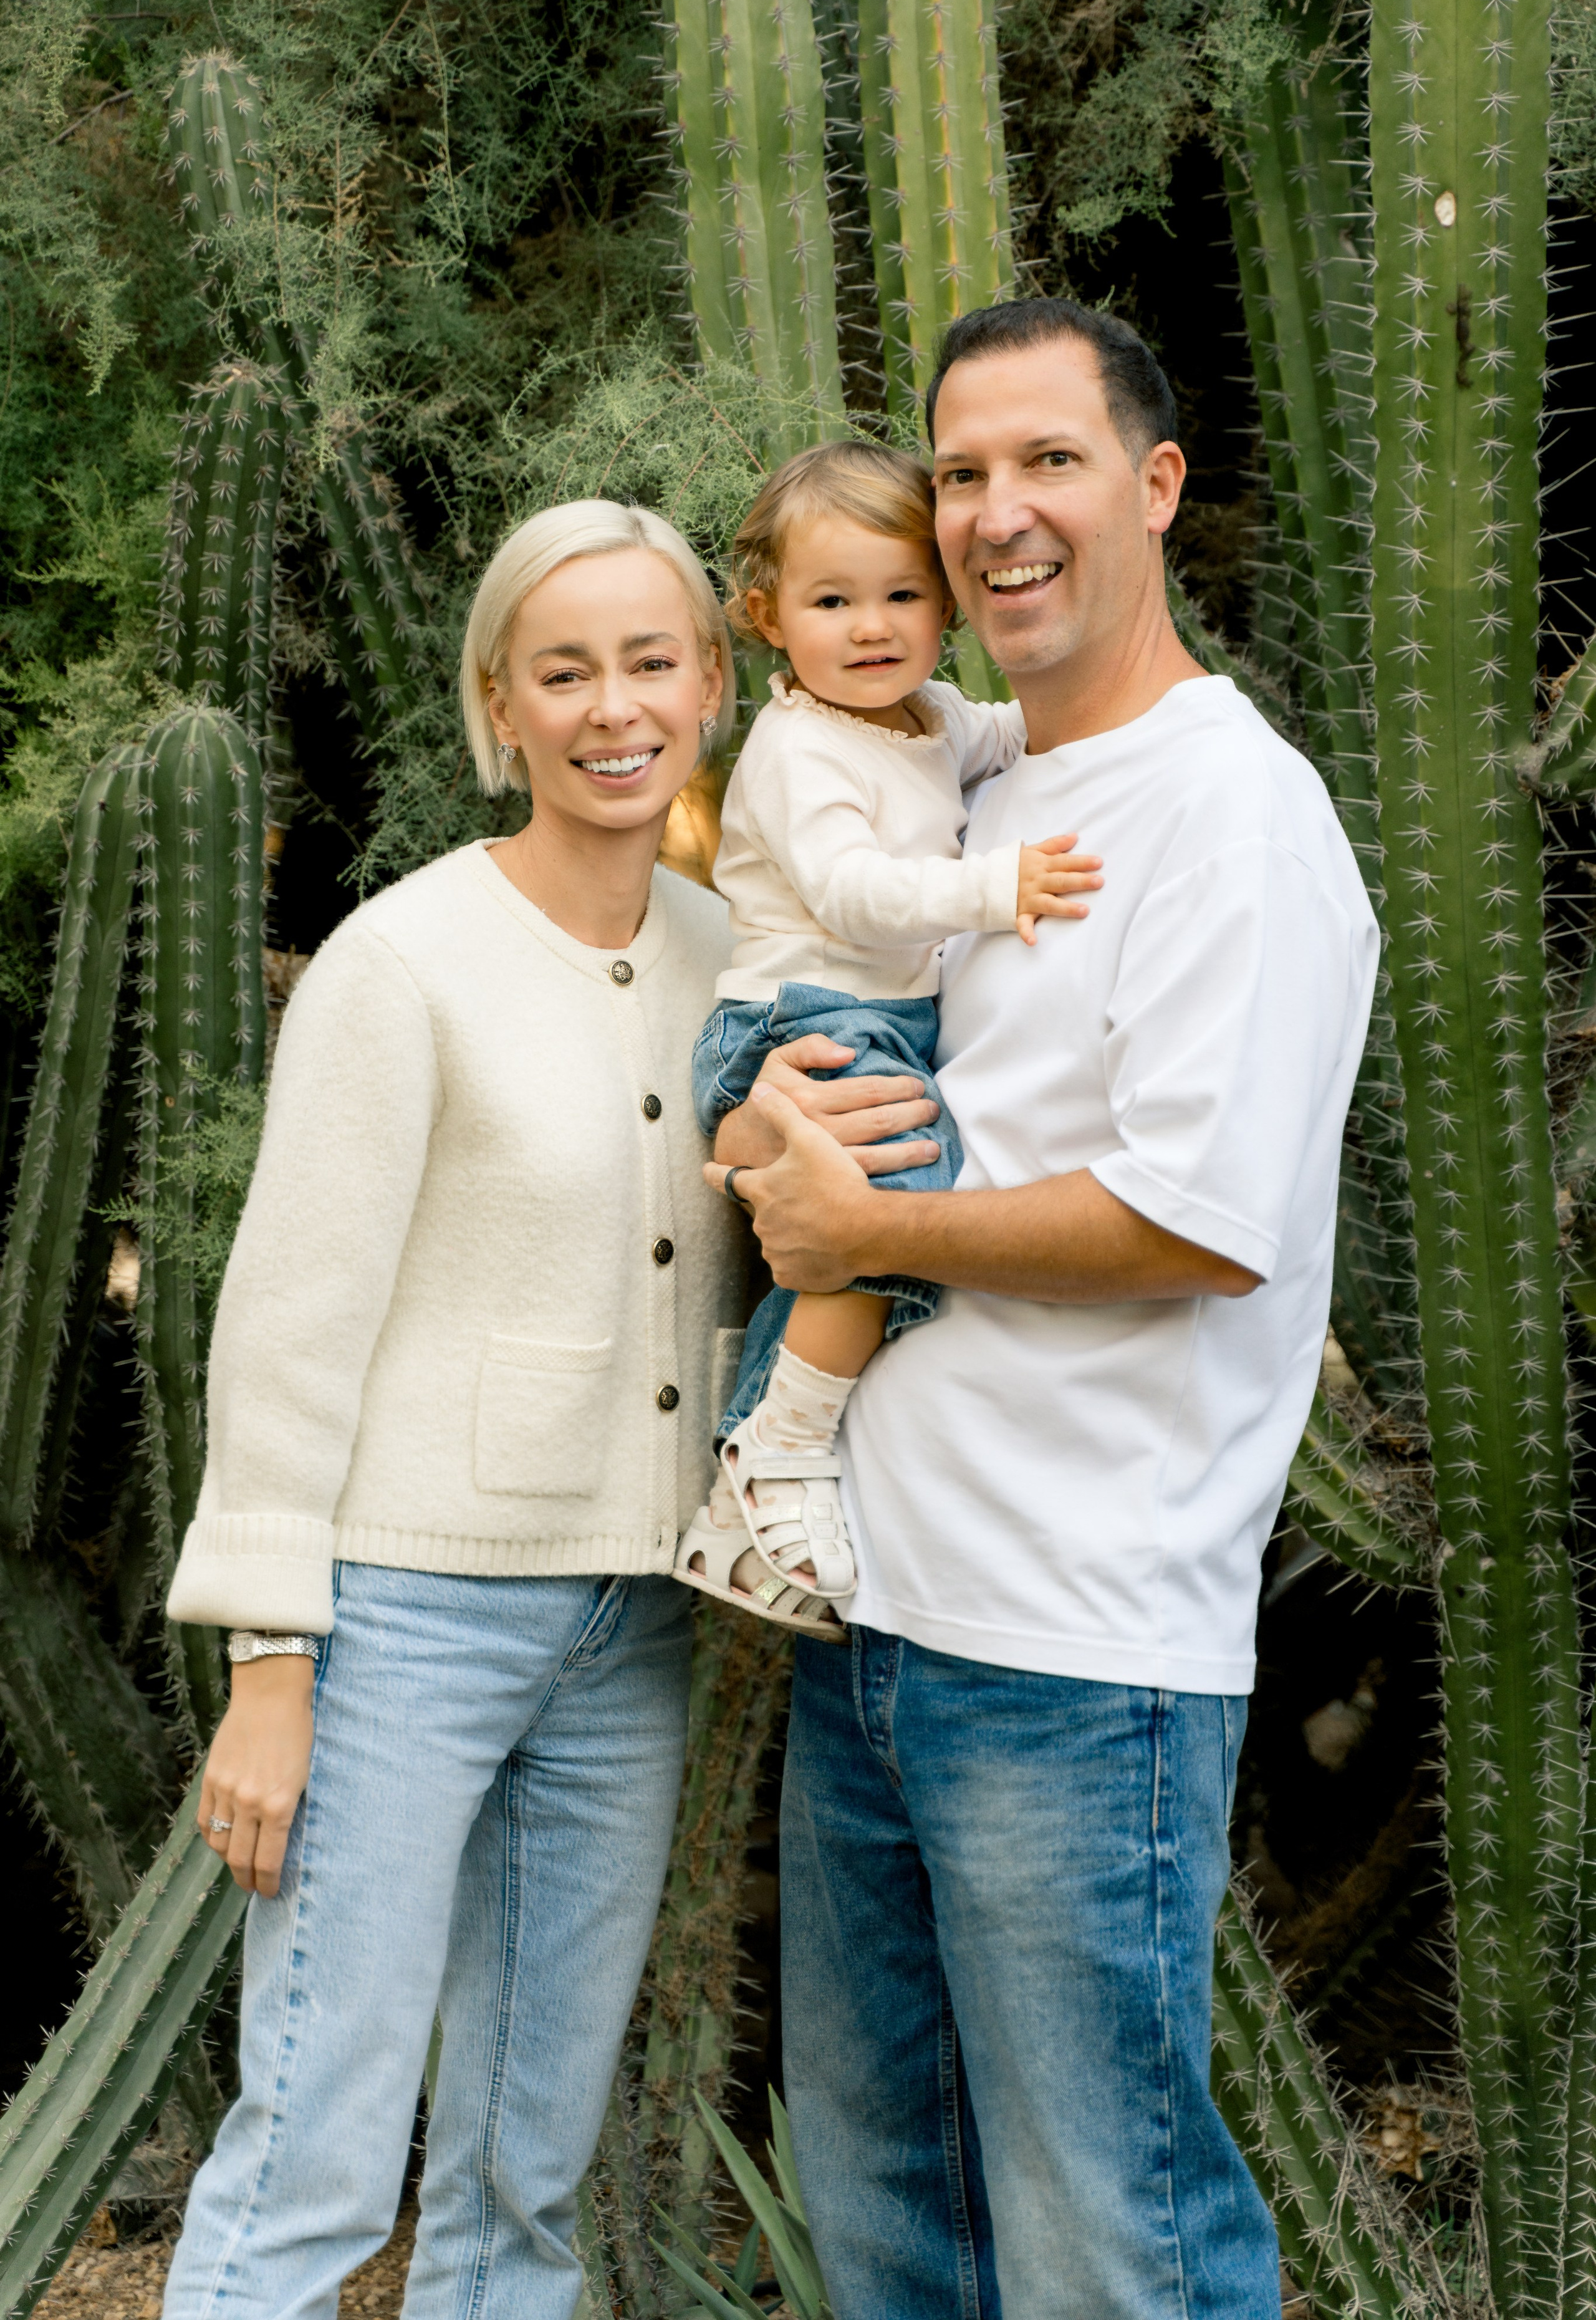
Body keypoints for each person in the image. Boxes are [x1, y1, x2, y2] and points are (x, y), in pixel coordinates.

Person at [708, 298, 1380, 2319]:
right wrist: (763, 1125)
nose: (998, 511)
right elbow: (828, 1040)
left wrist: (867, 1232)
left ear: (1156, 485)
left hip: (1073, 1653)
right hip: (876, 1617)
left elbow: (1199, 1219)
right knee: (890, 2227)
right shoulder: (960, 778)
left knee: (1111, 2249)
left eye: (1050, 461)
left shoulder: (1231, 813)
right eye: (964, 472)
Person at [160, 499, 746, 2320]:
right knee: (314, 2156)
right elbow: (288, 1322)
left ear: (711, 686)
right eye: (563, 673)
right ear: (500, 704)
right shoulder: (401, 960)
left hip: (634, 1624)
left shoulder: (737, 953)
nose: (612, 708)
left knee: (523, 2176)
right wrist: (273, 1658)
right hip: (402, 1622)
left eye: (649, 662)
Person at [677, 440, 1100, 1635]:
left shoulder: (932, 718)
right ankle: (783, 1444)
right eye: (832, 602)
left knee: (878, 1226)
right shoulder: (800, 749)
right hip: (798, 1019)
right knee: (891, 1204)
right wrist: (994, 887)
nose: (872, 627)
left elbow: (1024, 736)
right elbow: (854, 893)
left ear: (948, 601)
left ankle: (741, 1502)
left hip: (884, 1020)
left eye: (903, 593)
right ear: (768, 617)